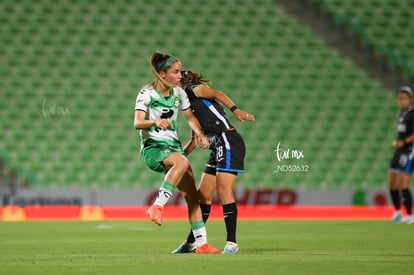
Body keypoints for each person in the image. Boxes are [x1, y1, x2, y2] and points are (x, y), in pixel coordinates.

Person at [134, 52, 221, 253]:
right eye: (175, 72)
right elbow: (137, 122)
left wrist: (199, 133)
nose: (180, 75)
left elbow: (190, 117)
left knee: (193, 197)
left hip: (173, 148)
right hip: (154, 148)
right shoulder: (146, 94)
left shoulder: (178, 94)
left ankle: (201, 244)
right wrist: (154, 121)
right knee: (182, 163)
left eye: (180, 71)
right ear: (162, 74)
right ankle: (157, 206)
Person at [171, 70, 255, 254]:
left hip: (228, 140)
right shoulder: (188, 105)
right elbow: (195, 138)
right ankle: (192, 242)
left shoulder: (195, 89)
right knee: (203, 195)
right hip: (218, 145)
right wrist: (180, 157)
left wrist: (236, 111)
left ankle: (231, 242)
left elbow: (217, 93)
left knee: (224, 190)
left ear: (182, 82)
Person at [389, 86, 414, 224]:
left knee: (403, 183)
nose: (401, 101)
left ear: (410, 99)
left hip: (409, 151)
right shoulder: (402, 114)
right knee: (392, 183)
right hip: (399, 150)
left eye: (404, 98)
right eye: (399, 98)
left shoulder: (412, 113)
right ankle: (398, 211)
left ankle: (410, 214)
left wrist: (403, 142)